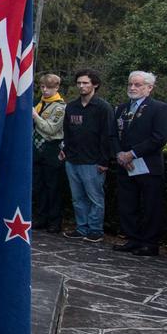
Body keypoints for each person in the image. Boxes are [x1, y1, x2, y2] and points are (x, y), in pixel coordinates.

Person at [110, 71, 167, 257]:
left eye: (137, 85)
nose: (132, 88)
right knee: (128, 204)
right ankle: (133, 238)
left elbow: (159, 137)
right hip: (124, 165)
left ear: (149, 87)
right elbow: (112, 134)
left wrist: (132, 154)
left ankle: (149, 243)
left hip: (147, 165)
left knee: (150, 205)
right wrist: (120, 154)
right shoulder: (121, 108)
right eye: (130, 84)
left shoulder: (159, 108)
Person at [61, 69, 114, 242]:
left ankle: (95, 230)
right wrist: (65, 150)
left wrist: (104, 160)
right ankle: (81, 228)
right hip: (73, 160)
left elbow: (107, 135)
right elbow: (67, 132)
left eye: (85, 83)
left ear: (95, 85)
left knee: (95, 198)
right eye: (79, 83)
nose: (82, 86)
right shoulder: (72, 106)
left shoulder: (103, 107)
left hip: (93, 161)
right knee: (77, 198)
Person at [31, 74, 67, 233]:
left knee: (53, 186)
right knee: (39, 186)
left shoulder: (59, 107)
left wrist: (35, 116)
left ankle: (54, 221)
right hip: (37, 148)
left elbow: (51, 128)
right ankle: (41, 217)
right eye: (42, 87)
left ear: (56, 88)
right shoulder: (39, 103)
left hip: (52, 147)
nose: (45, 90)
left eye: (49, 87)